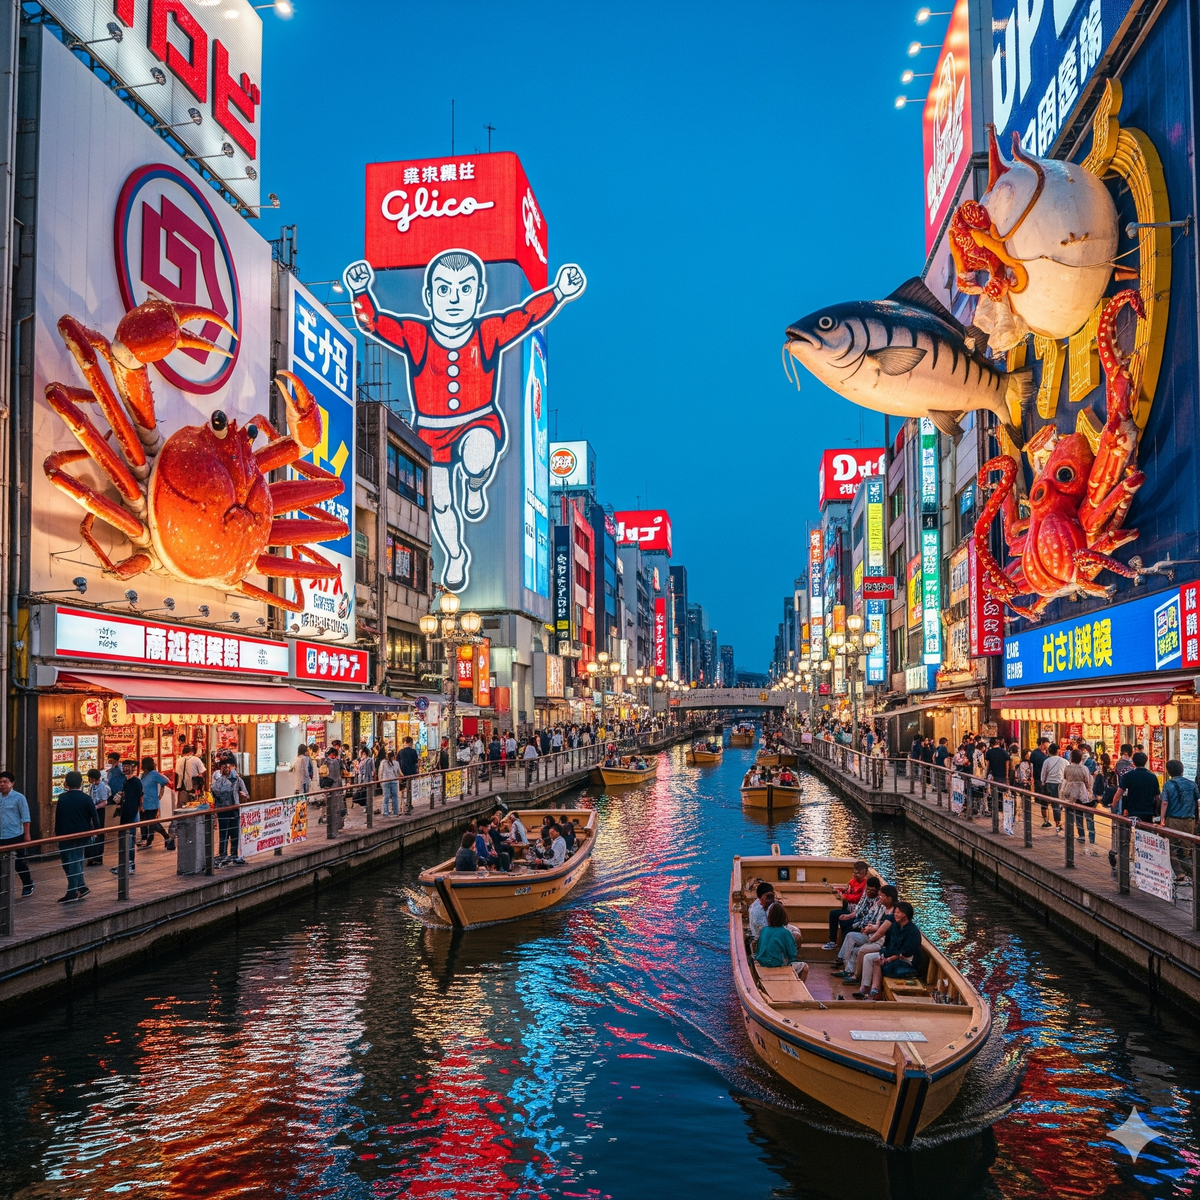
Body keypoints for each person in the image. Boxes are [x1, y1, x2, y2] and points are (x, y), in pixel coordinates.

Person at [855, 901, 922, 1001]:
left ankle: (874, 989)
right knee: (870, 958)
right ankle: (866, 987)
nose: (894, 914)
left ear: (904, 914)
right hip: (892, 955)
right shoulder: (895, 926)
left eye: (897, 912)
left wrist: (888, 959)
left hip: (906, 960)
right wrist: (883, 956)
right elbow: (888, 945)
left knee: (879, 962)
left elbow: (906, 952)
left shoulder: (913, 931)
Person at [834, 883, 898, 981]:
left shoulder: (893, 913)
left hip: (880, 941)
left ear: (889, 898)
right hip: (872, 934)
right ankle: (847, 968)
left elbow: (881, 931)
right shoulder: (882, 908)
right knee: (850, 935)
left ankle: (855, 975)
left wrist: (871, 936)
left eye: (882, 896)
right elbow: (877, 924)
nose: (879, 897)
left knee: (857, 949)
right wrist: (868, 927)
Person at [55, 771, 98, 902]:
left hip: (65, 835)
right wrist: (96, 831)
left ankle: (72, 891)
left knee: (70, 863)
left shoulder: (62, 798)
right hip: (82, 834)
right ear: (81, 783)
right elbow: (94, 816)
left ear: (66, 783)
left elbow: (58, 818)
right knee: (76, 861)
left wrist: (57, 835)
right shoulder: (86, 798)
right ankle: (80, 886)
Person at [831, 875, 883, 969]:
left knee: (849, 931)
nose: (869, 892)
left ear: (877, 890)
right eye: (868, 889)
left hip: (867, 925)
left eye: (872, 890)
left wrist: (862, 926)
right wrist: (849, 916)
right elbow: (859, 909)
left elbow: (872, 917)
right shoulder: (865, 895)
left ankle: (842, 958)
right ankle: (840, 953)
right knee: (842, 921)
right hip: (859, 921)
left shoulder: (878, 902)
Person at [1161, 759, 1198, 879]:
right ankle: (1193, 875)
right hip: (1189, 821)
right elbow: (1197, 803)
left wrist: (1162, 819)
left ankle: (1180, 874)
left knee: (1172, 849)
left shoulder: (1168, 784)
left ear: (1169, 771)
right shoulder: (1192, 784)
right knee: (1186, 851)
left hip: (1173, 820)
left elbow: (1165, 803)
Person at [823, 860, 869, 950]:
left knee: (845, 921)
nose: (855, 875)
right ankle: (832, 941)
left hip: (857, 914)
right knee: (833, 914)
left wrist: (843, 896)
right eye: (854, 873)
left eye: (858, 873)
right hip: (848, 909)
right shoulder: (852, 882)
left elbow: (857, 898)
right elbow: (845, 890)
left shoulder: (865, 886)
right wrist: (838, 890)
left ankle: (845, 947)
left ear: (864, 874)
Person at [0, 771, 33, 896]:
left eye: (5, 782)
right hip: (1, 835)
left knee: (19, 862)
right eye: (0, 782)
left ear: (12, 783)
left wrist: (27, 834)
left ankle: (28, 884)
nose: (2, 785)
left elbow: (25, 817)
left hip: (15, 835)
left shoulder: (19, 797)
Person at [210, 761, 249, 866]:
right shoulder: (218, 778)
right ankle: (223, 856)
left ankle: (234, 854)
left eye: (229, 766)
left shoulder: (238, 779)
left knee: (235, 833)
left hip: (235, 809)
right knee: (224, 833)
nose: (227, 768)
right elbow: (216, 791)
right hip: (223, 810)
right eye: (225, 766)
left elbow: (246, 794)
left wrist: (243, 796)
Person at [108, 760, 143, 875]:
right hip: (124, 813)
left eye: (127, 766)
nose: (124, 768)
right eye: (123, 766)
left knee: (129, 841)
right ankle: (125, 865)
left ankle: (129, 865)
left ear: (133, 767)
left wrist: (139, 809)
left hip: (131, 814)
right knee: (125, 841)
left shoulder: (136, 781)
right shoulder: (125, 781)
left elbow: (140, 796)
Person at [1060, 748, 1095, 848]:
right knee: (1082, 813)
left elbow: (1065, 778)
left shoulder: (1067, 768)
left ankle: (1074, 832)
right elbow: (1088, 782)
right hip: (1081, 792)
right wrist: (1089, 792)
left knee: (1071, 812)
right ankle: (1086, 835)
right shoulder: (1084, 768)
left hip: (1070, 792)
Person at [1113, 751, 1160, 824]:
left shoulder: (1128, 776)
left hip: (1132, 811)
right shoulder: (1152, 777)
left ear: (1133, 762)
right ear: (1146, 761)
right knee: (1146, 832)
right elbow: (1157, 797)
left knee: (1132, 832)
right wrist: (1156, 810)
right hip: (1148, 811)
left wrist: (1114, 806)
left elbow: (1119, 793)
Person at [137, 757, 172, 848]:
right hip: (143, 802)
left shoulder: (154, 774)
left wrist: (160, 793)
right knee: (143, 822)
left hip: (152, 802)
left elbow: (164, 781)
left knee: (152, 822)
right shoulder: (142, 775)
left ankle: (153, 839)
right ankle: (145, 839)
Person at [754, 902, 801, 969]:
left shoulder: (764, 930)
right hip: (776, 964)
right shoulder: (786, 932)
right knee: (804, 967)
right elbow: (792, 954)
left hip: (761, 962)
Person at [84, 767, 110, 865]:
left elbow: (104, 801)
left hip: (99, 811)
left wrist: (96, 807)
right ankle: (91, 855)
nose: (90, 781)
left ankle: (98, 856)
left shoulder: (102, 786)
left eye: (91, 779)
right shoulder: (92, 786)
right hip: (93, 810)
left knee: (98, 832)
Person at [1040, 742, 1066, 832]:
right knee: (1057, 805)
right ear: (1058, 751)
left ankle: (1046, 820)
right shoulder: (1064, 761)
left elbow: (1043, 773)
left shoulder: (1047, 761)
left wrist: (1043, 782)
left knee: (1045, 803)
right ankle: (1057, 824)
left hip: (1049, 783)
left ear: (1049, 751)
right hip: (1060, 784)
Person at [378, 749, 402, 817]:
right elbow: (399, 772)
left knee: (386, 797)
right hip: (394, 781)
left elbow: (380, 773)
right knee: (395, 797)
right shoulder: (396, 763)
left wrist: (380, 781)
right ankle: (396, 812)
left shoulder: (383, 762)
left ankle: (386, 812)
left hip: (385, 781)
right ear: (393, 757)